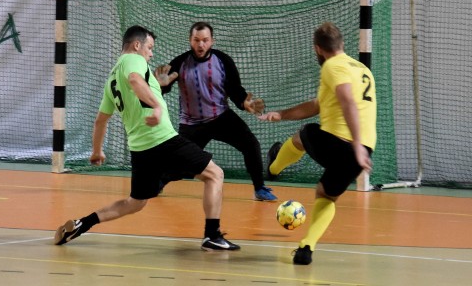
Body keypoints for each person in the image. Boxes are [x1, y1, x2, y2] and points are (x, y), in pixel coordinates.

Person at [53, 25, 240, 251]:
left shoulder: (111, 78)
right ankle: (212, 235)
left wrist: (97, 151)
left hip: (140, 150)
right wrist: (156, 107)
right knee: (215, 174)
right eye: (149, 48)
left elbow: (100, 120)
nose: (151, 54)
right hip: (162, 139)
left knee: (135, 202)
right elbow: (134, 80)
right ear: (137, 45)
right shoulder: (133, 60)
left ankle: (82, 224)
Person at [259, 22, 376, 265]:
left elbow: (347, 102)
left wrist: (353, 144)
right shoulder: (362, 68)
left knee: (305, 134)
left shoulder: (332, 66)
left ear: (318, 49)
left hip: (344, 144)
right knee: (326, 195)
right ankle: (306, 248)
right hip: (364, 150)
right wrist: (281, 113)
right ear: (342, 44)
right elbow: (317, 105)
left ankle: (273, 168)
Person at [153, 21, 277, 201]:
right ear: (190, 40)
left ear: (212, 41)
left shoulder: (224, 61)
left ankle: (259, 188)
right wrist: (160, 86)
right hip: (191, 123)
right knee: (181, 163)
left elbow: (235, 90)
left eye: (205, 40)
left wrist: (244, 102)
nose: (200, 44)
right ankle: (156, 185)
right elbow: (161, 89)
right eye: (196, 40)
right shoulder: (179, 63)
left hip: (221, 118)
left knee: (251, 145)